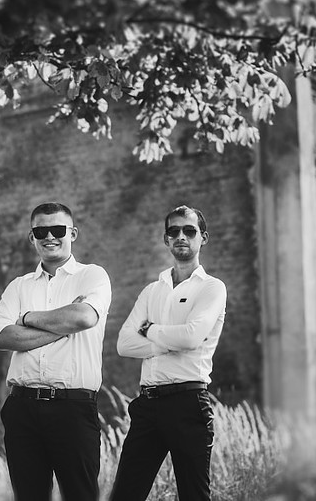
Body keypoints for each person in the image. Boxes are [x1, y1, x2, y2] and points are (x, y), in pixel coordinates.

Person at [0, 202, 111, 501]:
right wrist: (62, 326)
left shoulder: (92, 276)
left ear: (73, 233)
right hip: (22, 407)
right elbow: (2, 336)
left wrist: (27, 318)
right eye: (40, 231)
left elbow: (84, 318)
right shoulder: (18, 286)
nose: (49, 237)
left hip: (73, 408)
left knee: (80, 495)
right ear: (31, 237)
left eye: (57, 229)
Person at [110, 205, 227, 501]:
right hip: (148, 405)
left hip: (188, 403)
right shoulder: (152, 291)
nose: (181, 236)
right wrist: (168, 341)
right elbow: (124, 344)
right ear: (166, 239)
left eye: (189, 231)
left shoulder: (212, 288)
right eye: (173, 231)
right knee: (124, 495)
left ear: (203, 237)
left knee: (194, 496)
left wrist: (149, 329)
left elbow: (191, 337)